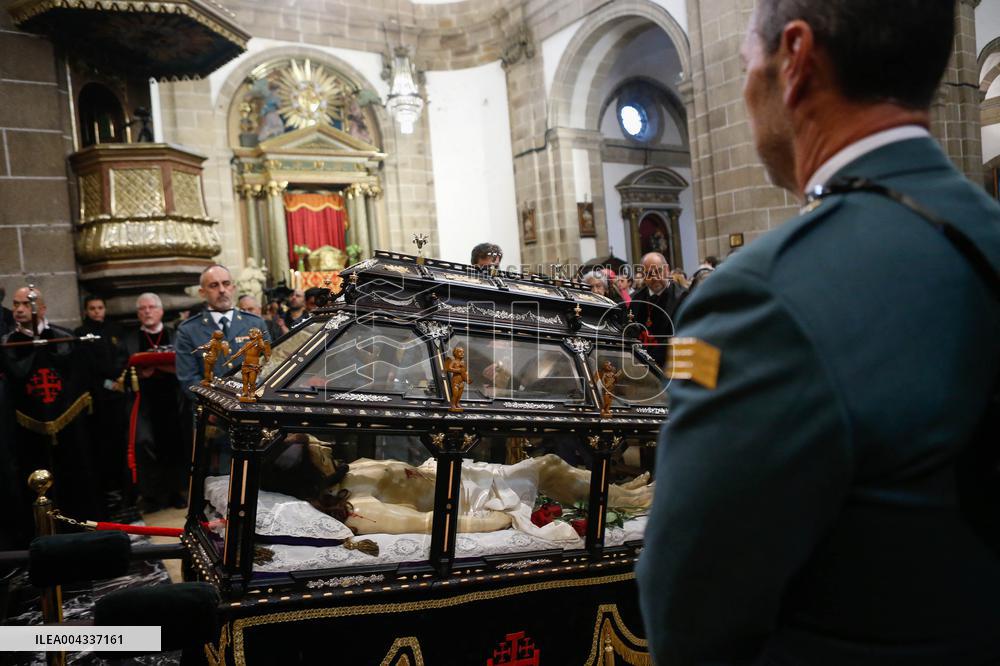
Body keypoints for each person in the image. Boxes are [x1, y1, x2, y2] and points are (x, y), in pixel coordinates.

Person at [636, 2, 1000, 665]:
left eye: (747, 61)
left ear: (795, 59)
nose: (746, 89)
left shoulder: (758, 299)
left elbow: (690, 600)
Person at [261, 435, 654, 540]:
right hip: (466, 495)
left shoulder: (348, 474)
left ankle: (617, 491)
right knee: (548, 465)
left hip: (450, 471)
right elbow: (433, 524)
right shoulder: (359, 507)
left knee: (547, 466)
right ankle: (627, 500)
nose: (328, 446)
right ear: (308, 472)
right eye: (319, 451)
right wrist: (496, 521)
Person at [0, 287, 102, 534]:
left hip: (67, 427)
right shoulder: (6, 345)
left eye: (26, 304)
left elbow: (77, 381)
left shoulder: (64, 339)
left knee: (72, 473)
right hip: (25, 428)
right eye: (15, 304)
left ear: (42, 308)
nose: (20, 309)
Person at [124, 293, 185, 512]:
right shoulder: (130, 339)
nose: (147, 311)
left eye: (151, 307)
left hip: (172, 399)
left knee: (174, 444)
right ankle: (152, 495)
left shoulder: (175, 334)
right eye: (142, 308)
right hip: (144, 401)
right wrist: (138, 372)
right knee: (145, 444)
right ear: (138, 314)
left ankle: (175, 492)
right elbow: (122, 368)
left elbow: (185, 361)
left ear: (160, 311)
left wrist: (162, 367)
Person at [74, 295, 132, 518]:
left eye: (100, 307)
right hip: (99, 399)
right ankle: (109, 497)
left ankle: (125, 495)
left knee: (121, 445)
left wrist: (121, 379)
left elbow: (123, 357)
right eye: (92, 308)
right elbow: (88, 366)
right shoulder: (82, 333)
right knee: (103, 447)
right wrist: (109, 383)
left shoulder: (114, 329)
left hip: (119, 396)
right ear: (86, 311)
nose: (97, 311)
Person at [175, 265, 270, 400]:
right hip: (213, 412)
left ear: (233, 288)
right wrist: (216, 405)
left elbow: (269, 365)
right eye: (214, 285)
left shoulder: (255, 323)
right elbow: (189, 379)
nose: (221, 290)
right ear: (202, 292)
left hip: (253, 405)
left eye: (226, 284)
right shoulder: (189, 330)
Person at [627, 252, 686, 365]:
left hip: (672, 364)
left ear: (667, 269)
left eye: (658, 271)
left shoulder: (683, 298)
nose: (654, 277)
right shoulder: (635, 300)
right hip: (640, 364)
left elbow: (683, 335)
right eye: (649, 274)